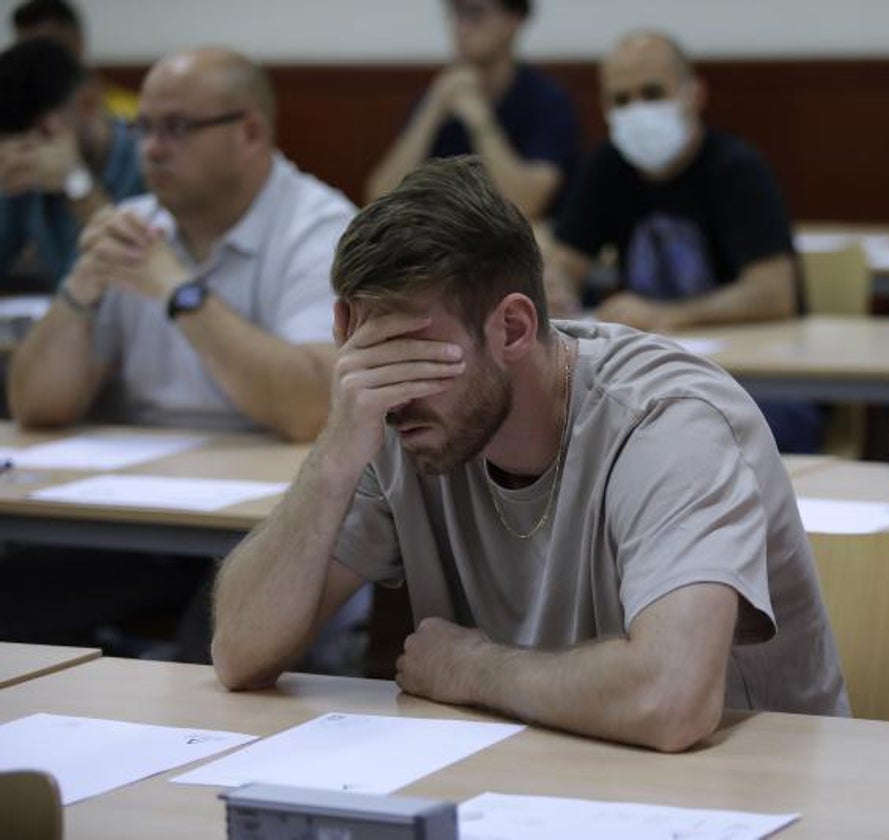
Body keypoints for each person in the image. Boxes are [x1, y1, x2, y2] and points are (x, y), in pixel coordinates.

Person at [211, 156, 848, 752]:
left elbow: (671, 699)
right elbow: (239, 653)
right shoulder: (396, 418)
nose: (389, 385)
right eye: (366, 350)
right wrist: (333, 453)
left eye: (413, 350)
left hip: (748, 795)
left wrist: (471, 668)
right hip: (543, 769)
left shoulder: (669, 422)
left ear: (512, 328)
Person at [7, 47, 354, 440]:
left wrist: (177, 290)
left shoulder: (322, 230)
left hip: (273, 481)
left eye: (176, 128)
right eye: (143, 128)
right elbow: (36, 406)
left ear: (251, 134)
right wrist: (77, 293)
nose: (151, 149)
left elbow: (314, 410)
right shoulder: (135, 224)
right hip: (145, 478)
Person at [547, 31, 798, 333]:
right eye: (621, 100)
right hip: (645, 358)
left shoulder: (736, 168)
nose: (637, 111)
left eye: (652, 94)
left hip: (747, 352)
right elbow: (564, 264)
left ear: (695, 95)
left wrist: (670, 315)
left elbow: (773, 294)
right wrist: (556, 290)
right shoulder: (606, 166)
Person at [364, 0, 577, 219]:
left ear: (515, 19)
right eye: (455, 13)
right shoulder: (439, 96)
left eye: (475, 13)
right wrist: (432, 110)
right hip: (447, 237)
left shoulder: (547, 102)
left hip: (519, 242)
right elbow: (380, 201)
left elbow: (525, 204)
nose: (461, 26)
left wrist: (480, 119)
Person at [0, 37, 142, 286]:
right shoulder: (26, 163)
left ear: (87, 103)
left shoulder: (149, 159)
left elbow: (142, 268)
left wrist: (75, 182)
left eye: (45, 133)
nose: (31, 150)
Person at [11, 0, 139, 121]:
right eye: (23, 52)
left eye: (48, 49)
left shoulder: (130, 116)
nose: (34, 62)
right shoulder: (14, 119)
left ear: (78, 42)